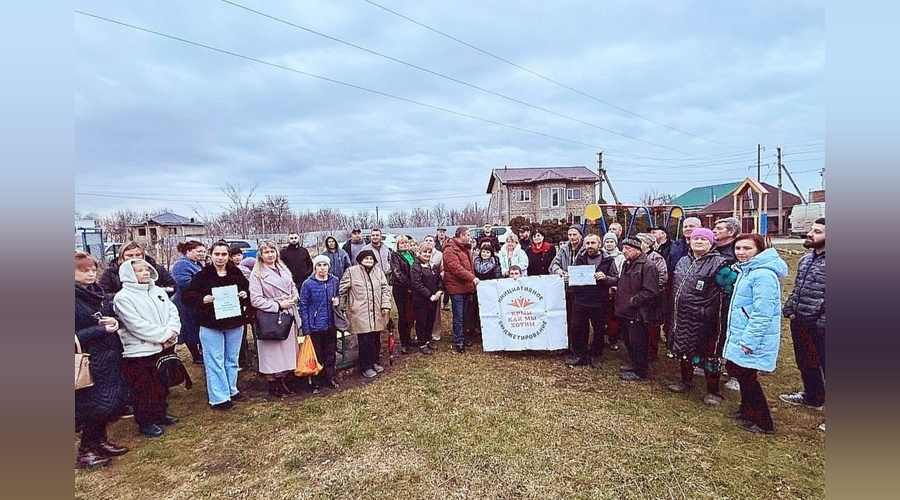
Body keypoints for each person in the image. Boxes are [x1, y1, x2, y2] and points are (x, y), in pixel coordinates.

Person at [723, 234, 788, 434]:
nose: (741, 253)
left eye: (747, 249)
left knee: (748, 376)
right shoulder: (748, 270)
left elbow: (763, 312)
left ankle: (763, 422)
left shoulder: (763, 275)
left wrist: (750, 340)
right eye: (738, 248)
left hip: (752, 335)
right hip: (741, 330)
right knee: (741, 372)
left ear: (759, 250)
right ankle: (747, 410)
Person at [114, 258, 181, 439]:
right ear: (129, 274)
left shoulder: (158, 291)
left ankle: (160, 413)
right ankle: (145, 421)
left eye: (146, 269)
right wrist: (164, 336)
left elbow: (172, 312)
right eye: (139, 270)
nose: (145, 273)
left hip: (163, 347)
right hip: (140, 350)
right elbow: (136, 325)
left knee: (161, 383)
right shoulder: (123, 298)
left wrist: (173, 331)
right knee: (143, 388)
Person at [75, 252, 130, 469]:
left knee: (106, 403)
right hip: (87, 360)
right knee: (90, 406)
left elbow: (108, 319)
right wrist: (99, 330)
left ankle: (100, 441)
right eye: (83, 270)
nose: (90, 274)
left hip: (108, 357)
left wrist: (114, 323)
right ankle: (86, 451)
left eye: (93, 270)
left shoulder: (97, 294)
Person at [182, 241, 252, 410]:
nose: (220, 258)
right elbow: (188, 297)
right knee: (215, 360)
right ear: (211, 255)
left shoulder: (235, 272)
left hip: (234, 322)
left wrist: (244, 294)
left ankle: (231, 389)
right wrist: (202, 299)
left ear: (228, 256)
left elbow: (248, 291)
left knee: (232, 358)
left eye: (224, 254)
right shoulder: (202, 275)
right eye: (217, 254)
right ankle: (219, 398)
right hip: (210, 324)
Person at [667, 228, 729, 405]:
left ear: (711, 243)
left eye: (703, 239)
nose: (699, 241)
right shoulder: (683, 261)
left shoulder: (720, 264)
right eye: (696, 239)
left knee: (709, 354)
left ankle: (713, 391)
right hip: (682, 315)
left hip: (707, 319)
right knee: (684, 349)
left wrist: (712, 312)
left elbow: (729, 291)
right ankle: (685, 381)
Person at [779, 218, 826, 432]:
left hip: (821, 324)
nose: (810, 234)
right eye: (811, 230)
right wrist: (789, 309)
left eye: (817, 231)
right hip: (801, 320)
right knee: (806, 361)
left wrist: (821, 321)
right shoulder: (806, 260)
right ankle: (812, 396)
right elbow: (798, 287)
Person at [249, 240, 301, 398]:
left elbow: (291, 285)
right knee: (272, 353)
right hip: (271, 317)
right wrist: (278, 305)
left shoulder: (282, 268)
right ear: (261, 255)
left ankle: (284, 379)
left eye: (272, 251)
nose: (270, 255)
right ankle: (273, 383)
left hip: (288, 314)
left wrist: (294, 297)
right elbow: (256, 300)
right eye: (266, 252)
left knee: (286, 351)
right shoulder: (257, 274)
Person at [566, 234, 618, 368]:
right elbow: (574, 275)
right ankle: (580, 355)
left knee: (599, 330)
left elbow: (616, 278)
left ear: (599, 244)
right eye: (587, 243)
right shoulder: (580, 258)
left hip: (599, 300)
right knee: (578, 328)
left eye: (593, 243)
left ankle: (595, 355)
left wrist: (605, 278)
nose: (590, 246)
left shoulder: (608, 260)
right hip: (581, 299)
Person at [340, 249, 391, 378]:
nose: (369, 261)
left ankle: (375, 361)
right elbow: (342, 290)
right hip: (360, 313)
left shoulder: (378, 272)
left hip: (377, 311)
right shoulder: (351, 272)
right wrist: (341, 308)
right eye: (366, 258)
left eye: (371, 259)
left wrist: (385, 305)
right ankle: (365, 366)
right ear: (360, 260)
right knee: (365, 341)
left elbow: (385, 289)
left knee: (376, 340)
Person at [616, 237, 661, 381]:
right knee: (629, 341)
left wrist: (632, 301)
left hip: (638, 313)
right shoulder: (626, 263)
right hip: (625, 311)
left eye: (627, 249)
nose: (624, 251)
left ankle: (640, 371)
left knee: (638, 343)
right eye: (623, 248)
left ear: (637, 249)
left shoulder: (648, 266)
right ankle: (635, 365)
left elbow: (651, 291)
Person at [300, 255, 341, 393]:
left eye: (324, 265)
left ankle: (330, 377)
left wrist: (337, 301)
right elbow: (304, 305)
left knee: (330, 352)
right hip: (315, 325)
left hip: (331, 324)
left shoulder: (334, 280)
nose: (322, 268)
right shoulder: (308, 284)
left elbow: (339, 295)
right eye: (319, 265)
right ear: (315, 267)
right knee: (317, 354)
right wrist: (306, 327)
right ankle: (316, 380)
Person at [712, 217, 741, 391]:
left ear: (731, 232)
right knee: (716, 333)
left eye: (719, 228)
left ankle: (735, 374)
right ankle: (714, 363)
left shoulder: (736, 252)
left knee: (731, 335)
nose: (715, 230)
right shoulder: (715, 249)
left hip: (731, 300)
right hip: (713, 300)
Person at [99, 241, 176, 303]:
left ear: (143, 255)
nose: (134, 258)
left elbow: (172, 287)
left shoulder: (157, 269)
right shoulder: (111, 272)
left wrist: (155, 294)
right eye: (130, 255)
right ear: (122, 257)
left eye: (138, 254)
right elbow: (103, 294)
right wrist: (129, 297)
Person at [442, 226, 478, 353]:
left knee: (464, 315)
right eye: (468, 235)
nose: (469, 237)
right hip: (456, 287)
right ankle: (458, 341)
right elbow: (455, 268)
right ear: (461, 235)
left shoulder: (464, 248)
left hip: (466, 286)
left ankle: (462, 337)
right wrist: (472, 278)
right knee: (458, 316)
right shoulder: (450, 249)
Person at [172, 240, 206, 365]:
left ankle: (200, 354)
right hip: (184, 302)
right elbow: (183, 282)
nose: (202, 254)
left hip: (195, 301)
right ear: (188, 251)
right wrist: (203, 284)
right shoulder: (181, 264)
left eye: (203, 251)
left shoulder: (196, 263)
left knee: (197, 328)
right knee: (189, 329)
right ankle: (196, 356)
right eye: (199, 251)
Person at [636, 233, 669, 362]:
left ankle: (651, 352)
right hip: (639, 296)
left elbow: (663, 277)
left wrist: (650, 290)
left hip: (653, 298)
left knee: (652, 325)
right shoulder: (637, 257)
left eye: (640, 242)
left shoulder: (656, 258)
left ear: (648, 244)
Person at [410, 243, 443, 355]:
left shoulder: (433, 265)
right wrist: (430, 295)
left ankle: (428, 339)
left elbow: (439, 279)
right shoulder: (416, 266)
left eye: (429, 252)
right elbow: (417, 284)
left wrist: (439, 290)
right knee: (421, 321)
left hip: (434, 298)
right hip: (421, 299)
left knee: (430, 320)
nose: (427, 254)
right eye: (425, 252)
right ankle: (422, 342)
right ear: (419, 252)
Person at [389, 235, 416, 355]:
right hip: (401, 289)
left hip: (413, 289)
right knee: (403, 315)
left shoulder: (412, 254)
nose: (404, 245)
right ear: (398, 245)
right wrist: (410, 284)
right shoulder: (395, 256)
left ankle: (409, 337)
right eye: (402, 243)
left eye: (406, 243)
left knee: (411, 315)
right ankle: (403, 341)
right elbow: (398, 273)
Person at [602, 232, 626, 351]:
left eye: (611, 241)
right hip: (602, 289)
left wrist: (616, 286)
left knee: (613, 317)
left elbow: (622, 273)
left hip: (615, 289)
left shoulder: (621, 257)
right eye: (607, 242)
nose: (609, 244)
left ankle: (613, 339)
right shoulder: (600, 255)